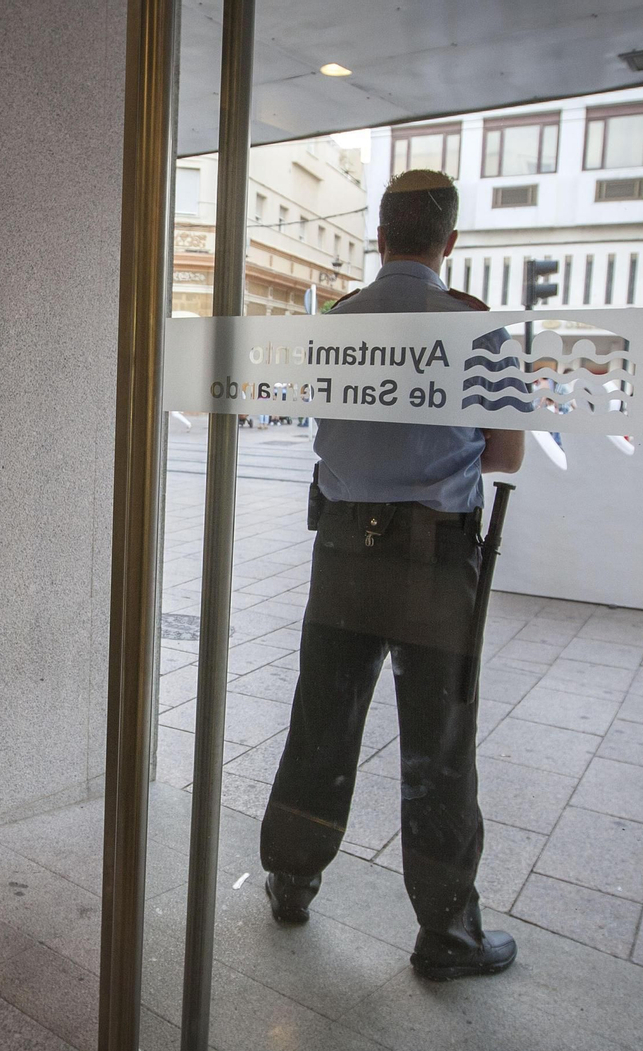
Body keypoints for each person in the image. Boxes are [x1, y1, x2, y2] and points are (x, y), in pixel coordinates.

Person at [259, 169, 525, 981]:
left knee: (321, 722)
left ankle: (292, 879)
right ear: (449, 243)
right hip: (435, 562)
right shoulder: (477, 329)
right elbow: (507, 455)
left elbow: (321, 421)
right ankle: (447, 934)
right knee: (439, 745)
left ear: (379, 236)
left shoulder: (336, 323)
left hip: (340, 552)